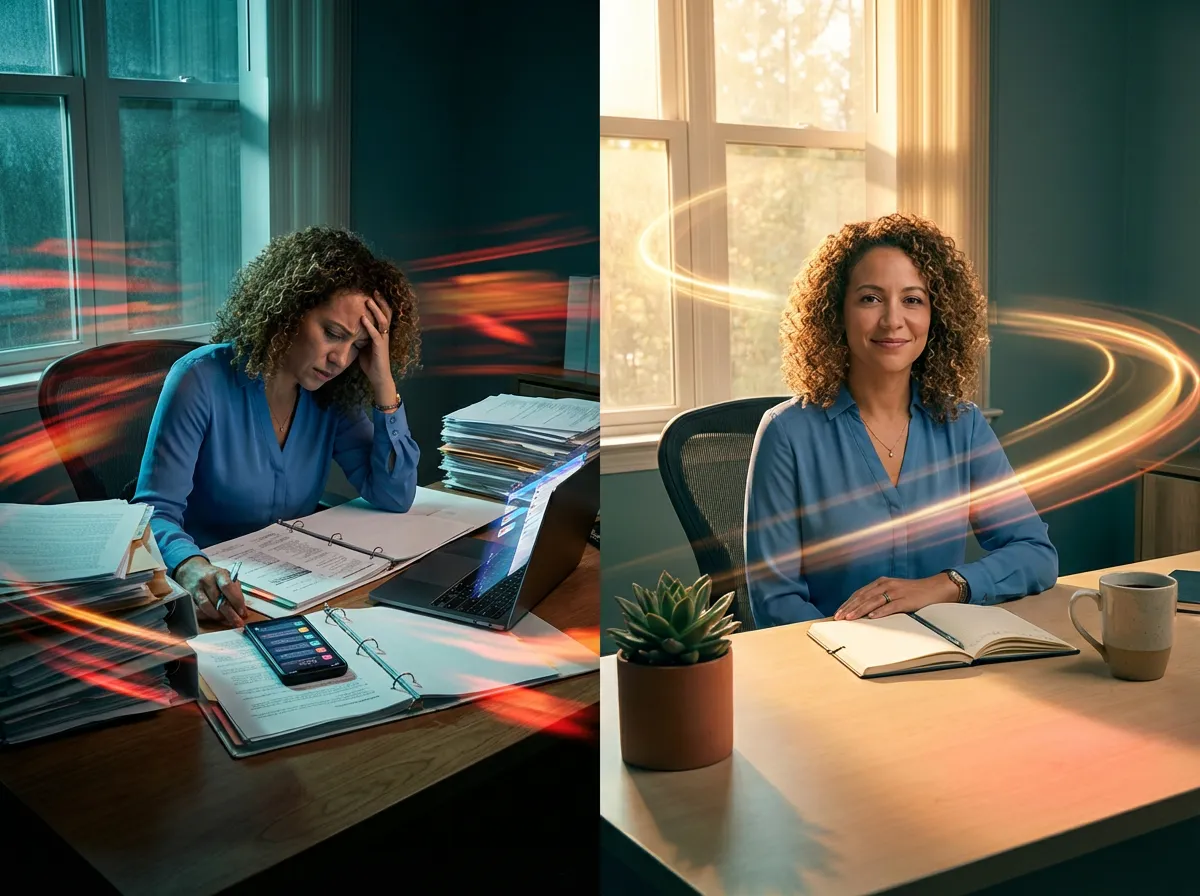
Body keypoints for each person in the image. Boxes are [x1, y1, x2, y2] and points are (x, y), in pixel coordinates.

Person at [743, 213, 1058, 628]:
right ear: (836, 312)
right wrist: (852, 649)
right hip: (833, 668)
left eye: (913, 299)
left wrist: (946, 585)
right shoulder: (786, 432)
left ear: (936, 316)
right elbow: (775, 601)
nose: (893, 320)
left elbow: (1036, 555)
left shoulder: (962, 425)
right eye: (870, 298)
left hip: (946, 660)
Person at [134, 226, 422, 628]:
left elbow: (394, 495)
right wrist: (191, 566)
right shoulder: (199, 379)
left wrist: (382, 382)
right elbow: (155, 512)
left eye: (357, 346)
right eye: (332, 334)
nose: (340, 359)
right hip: (209, 597)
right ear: (289, 313)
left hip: (293, 596)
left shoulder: (330, 394)